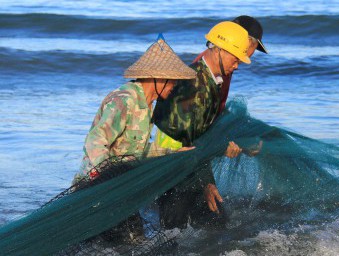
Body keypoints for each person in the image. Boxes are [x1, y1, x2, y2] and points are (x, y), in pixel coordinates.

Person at [73, 36, 196, 242]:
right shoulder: (124, 100)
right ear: (157, 78)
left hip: (121, 190)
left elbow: (137, 151)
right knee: (129, 242)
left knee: (134, 241)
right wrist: (107, 179)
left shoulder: (147, 106)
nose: (175, 85)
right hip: (97, 190)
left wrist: (171, 154)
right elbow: (95, 141)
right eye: (172, 79)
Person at [151, 19, 265, 229]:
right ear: (219, 50)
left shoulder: (212, 80)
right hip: (173, 167)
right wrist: (207, 183)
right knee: (175, 233)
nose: (237, 65)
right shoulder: (193, 84)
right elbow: (189, 141)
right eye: (236, 58)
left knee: (210, 227)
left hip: (189, 165)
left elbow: (203, 131)